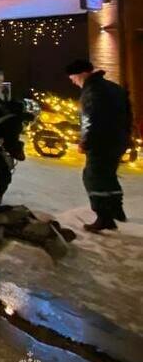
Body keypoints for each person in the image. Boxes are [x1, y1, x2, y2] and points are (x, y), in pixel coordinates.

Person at [66, 58, 132, 232]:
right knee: (108, 175)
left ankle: (104, 218)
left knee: (93, 177)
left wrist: (85, 142)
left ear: (82, 74)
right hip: (118, 140)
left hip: (100, 142)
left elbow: (90, 120)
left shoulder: (91, 91)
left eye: (73, 78)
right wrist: (127, 138)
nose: (73, 82)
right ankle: (117, 210)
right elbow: (128, 116)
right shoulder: (114, 88)